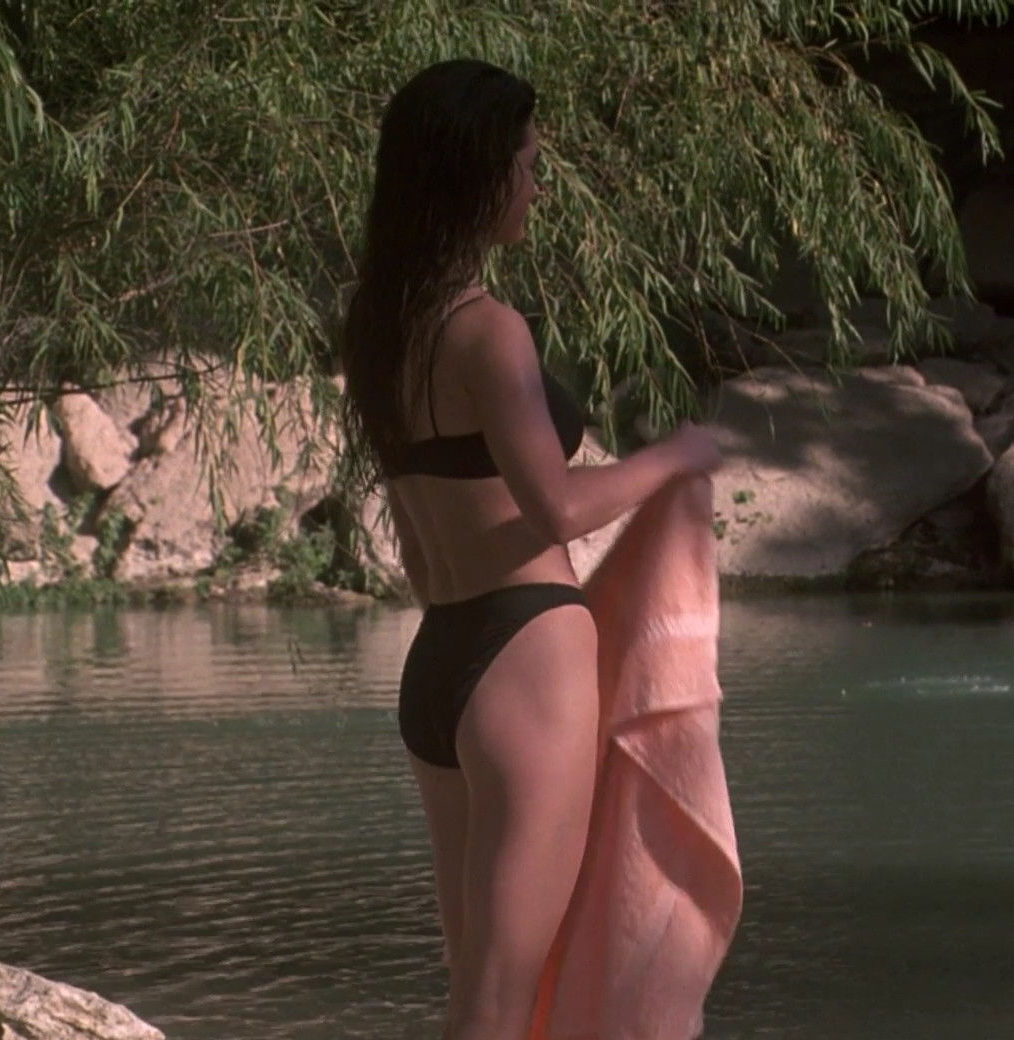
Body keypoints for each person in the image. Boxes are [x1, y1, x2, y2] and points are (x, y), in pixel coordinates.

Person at [339, 60, 722, 1040]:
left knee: (476, 980)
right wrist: (673, 457)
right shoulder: (489, 330)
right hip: (526, 656)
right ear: (480, 176)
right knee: (506, 991)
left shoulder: (382, 330)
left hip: (439, 658)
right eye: (526, 166)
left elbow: (424, 532)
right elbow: (554, 507)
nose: (536, 188)